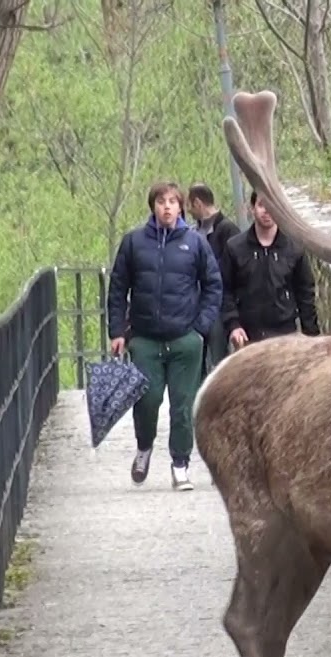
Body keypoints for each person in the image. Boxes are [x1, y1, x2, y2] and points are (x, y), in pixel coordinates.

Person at [107, 181, 222, 491]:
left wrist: (200, 328)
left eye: (172, 201)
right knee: (147, 399)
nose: (167, 207)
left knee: (183, 406)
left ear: (181, 207)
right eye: (161, 201)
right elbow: (118, 288)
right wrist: (117, 331)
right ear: (153, 206)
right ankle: (144, 447)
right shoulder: (134, 243)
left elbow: (213, 285)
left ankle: (180, 465)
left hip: (185, 338)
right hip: (145, 337)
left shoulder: (195, 243)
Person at [220, 191, 320, 349]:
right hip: (248, 338)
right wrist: (233, 325)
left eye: (271, 206)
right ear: (252, 208)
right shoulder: (234, 248)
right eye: (261, 205)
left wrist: (311, 337)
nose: (267, 211)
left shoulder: (294, 249)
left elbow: (305, 293)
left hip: (286, 337)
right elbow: (225, 290)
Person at [185, 183, 243, 374]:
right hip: (197, 305)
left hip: (218, 305)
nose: (189, 211)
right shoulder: (195, 232)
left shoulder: (228, 230)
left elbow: (234, 269)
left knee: (219, 359)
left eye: (190, 205)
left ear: (198, 203)